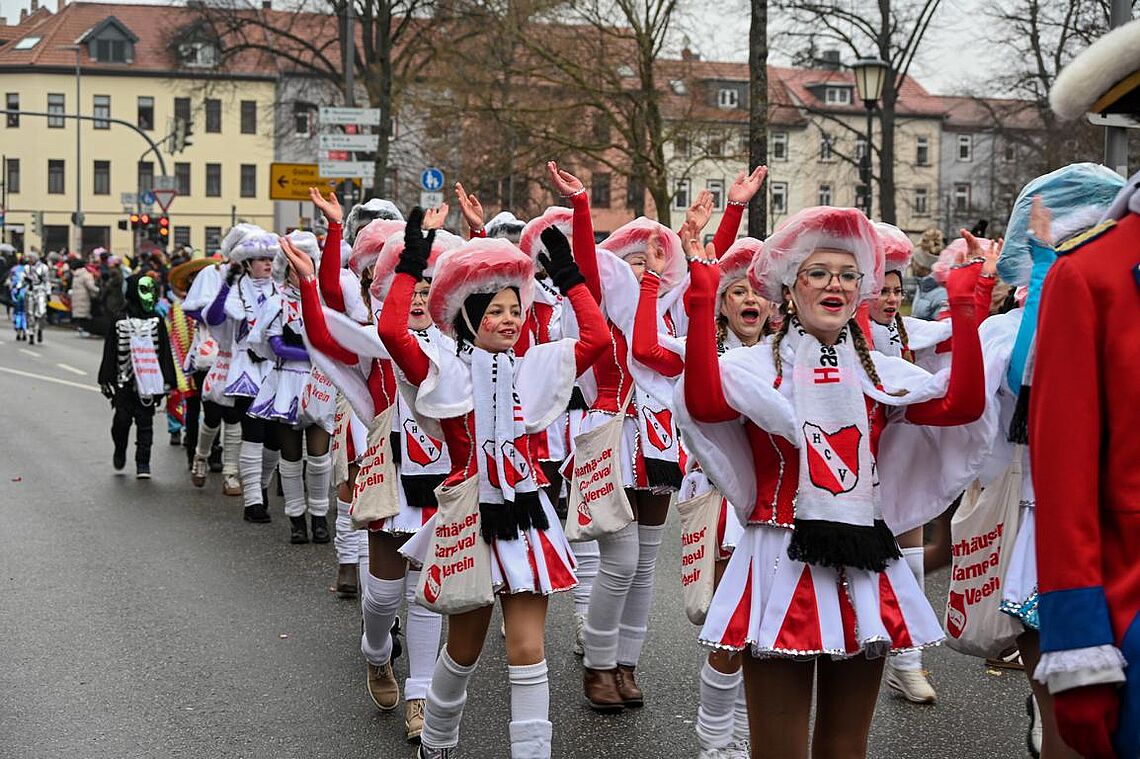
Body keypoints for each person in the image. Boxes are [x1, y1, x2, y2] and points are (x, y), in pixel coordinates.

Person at [677, 205, 991, 757]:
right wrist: (702, 300)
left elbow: (961, 407)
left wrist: (967, 305)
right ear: (788, 288)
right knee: (778, 751)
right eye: (818, 273)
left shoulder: (878, 372)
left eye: (848, 275)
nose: (835, 285)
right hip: (778, 558)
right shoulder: (754, 368)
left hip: (862, 558)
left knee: (846, 748)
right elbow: (702, 403)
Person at [380, 211, 607, 759]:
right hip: (471, 517)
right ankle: (436, 743)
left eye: (515, 309)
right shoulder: (444, 371)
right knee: (463, 652)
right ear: (469, 315)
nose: (510, 320)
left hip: (526, 514)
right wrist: (412, 261)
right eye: (496, 311)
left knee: (528, 651)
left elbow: (598, 337)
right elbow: (391, 331)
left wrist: (571, 276)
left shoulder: (535, 366)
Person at [631, 232, 769, 759]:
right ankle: (715, 740)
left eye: (758, 292)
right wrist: (651, 280)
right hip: (722, 507)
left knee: (767, 632)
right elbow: (646, 349)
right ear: (721, 303)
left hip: (780, 509)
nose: (750, 300)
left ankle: (747, 737)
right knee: (731, 628)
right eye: (737, 291)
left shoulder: (789, 355)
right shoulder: (701, 353)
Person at [97, 273, 178, 478]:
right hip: (124, 382)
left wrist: (167, 380)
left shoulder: (156, 320)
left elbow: (164, 352)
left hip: (148, 382)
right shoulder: (119, 319)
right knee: (121, 421)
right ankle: (120, 448)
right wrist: (106, 378)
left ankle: (143, 463)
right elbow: (110, 351)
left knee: (145, 422)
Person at [69, 259, 99, 337]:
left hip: (77, 297)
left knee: (80, 315)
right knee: (85, 315)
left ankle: (81, 329)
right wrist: (99, 290)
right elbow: (91, 286)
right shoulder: (86, 275)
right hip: (85, 297)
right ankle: (85, 330)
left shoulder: (76, 275)